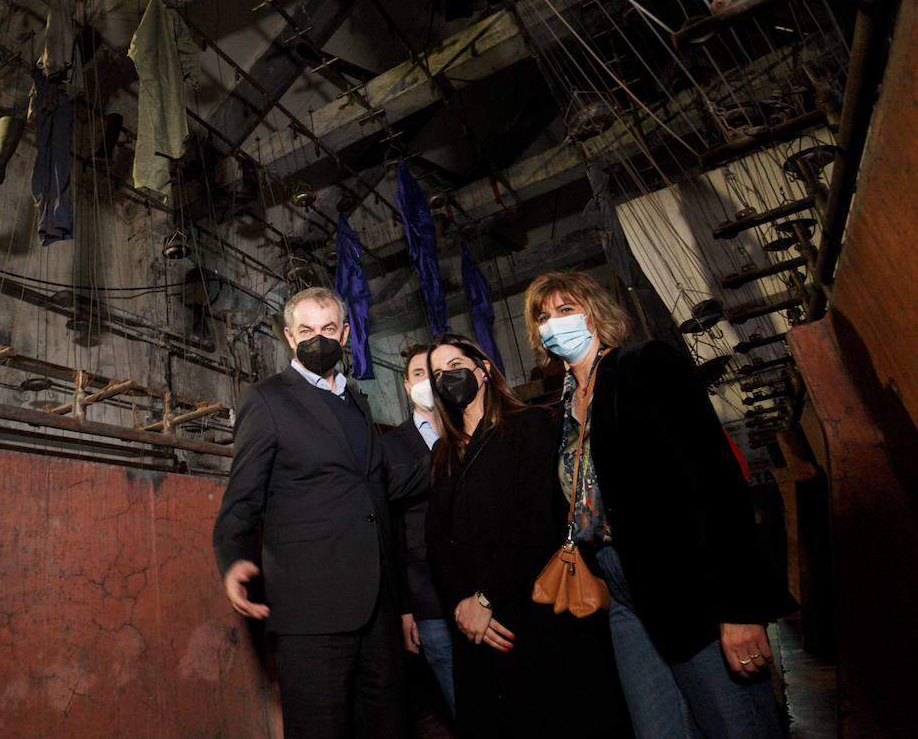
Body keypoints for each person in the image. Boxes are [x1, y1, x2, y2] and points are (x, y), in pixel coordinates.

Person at [522, 271, 793, 739]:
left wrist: (739, 607)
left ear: (596, 313)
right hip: (621, 596)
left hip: (689, 584)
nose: (552, 325)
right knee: (658, 729)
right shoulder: (564, 411)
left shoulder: (644, 366)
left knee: (735, 726)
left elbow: (716, 485)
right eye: (543, 317)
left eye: (565, 311)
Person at [213, 287, 429, 739]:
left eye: (328, 329)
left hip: (377, 608)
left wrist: (452, 453)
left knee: (389, 725)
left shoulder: (357, 401)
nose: (318, 338)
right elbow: (243, 497)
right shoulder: (267, 399)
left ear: (345, 334)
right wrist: (233, 558)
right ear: (290, 338)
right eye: (307, 330)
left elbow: (377, 483)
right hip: (311, 612)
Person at [423, 334, 629, 738]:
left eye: (455, 367)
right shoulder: (442, 453)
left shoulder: (528, 425)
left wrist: (486, 598)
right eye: (437, 374)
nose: (447, 378)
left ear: (482, 372)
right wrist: (463, 609)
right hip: (473, 626)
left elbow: (537, 520)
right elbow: (436, 540)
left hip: (530, 613)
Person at [381, 344, 455, 718]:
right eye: (418, 374)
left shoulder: (475, 427)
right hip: (428, 598)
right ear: (407, 388)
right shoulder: (389, 447)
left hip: (486, 587)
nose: (428, 381)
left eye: (434, 371)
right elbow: (393, 532)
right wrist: (405, 610)